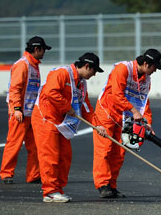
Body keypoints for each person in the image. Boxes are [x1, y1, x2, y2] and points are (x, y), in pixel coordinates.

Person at [31, 53, 105, 203]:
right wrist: (67, 107)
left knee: (65, 155)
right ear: (86, 66)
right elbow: (50, 92)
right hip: (46, 118)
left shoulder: (81, 83)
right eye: (94, 70)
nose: (95, 74)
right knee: (50, 155)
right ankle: (50, 192)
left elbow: (85, 106)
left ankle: (58, 189)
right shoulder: (61, 73)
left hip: (62, 121)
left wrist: (97, 124)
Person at [92, 49, 161, 198]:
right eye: (154, 67)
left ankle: (112, 185)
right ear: (145, 63)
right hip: (106, 113)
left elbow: (144, 103)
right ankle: (103, 185)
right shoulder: (122, 68)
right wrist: (134, 111)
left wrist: (147, 122)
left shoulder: (146, 79)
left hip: (124, 116)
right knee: (105, 150)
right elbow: (116, 95)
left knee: (120, 152)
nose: (155, 70)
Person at [0, 36, 51, 185]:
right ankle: (6, 173)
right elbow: (14, 89)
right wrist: (16, 109)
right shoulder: (22, 65)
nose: (44, 53)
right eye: (43, 50)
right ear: (36, 49)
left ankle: (33, 175)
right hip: (20, 113)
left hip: (31, 113)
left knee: (35, 145)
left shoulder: (33, 65)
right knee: (14, 144)